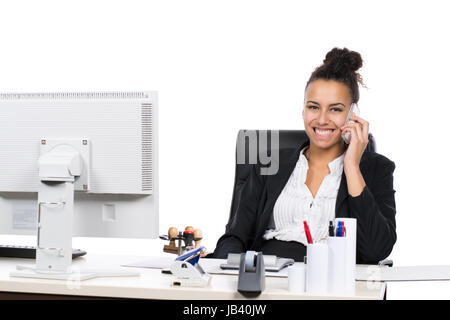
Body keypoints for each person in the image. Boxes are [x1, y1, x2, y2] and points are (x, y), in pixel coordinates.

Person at [212, 47, 396, 264]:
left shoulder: (376, 169)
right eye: (313, 107)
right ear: (303, 109)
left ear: (352, 114)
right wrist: (224, 273)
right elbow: (235, 237)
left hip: (335, 283)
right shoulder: (270, 163)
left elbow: (376, 250)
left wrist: (352, 166)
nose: (322, 119)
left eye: (335, 109)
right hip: (270, 279)